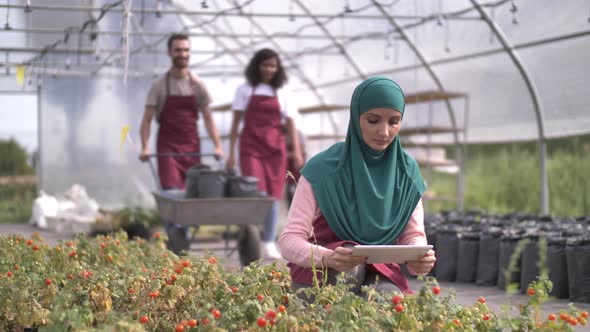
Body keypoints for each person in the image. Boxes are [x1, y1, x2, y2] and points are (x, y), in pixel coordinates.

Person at [278, 76, 436, 298]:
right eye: (373, 120)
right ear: (356, 117)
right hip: (322, 273)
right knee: (348, 272)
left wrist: (420, 257)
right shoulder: (323, 169)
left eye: (394, 121)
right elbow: (289, 239)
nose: (384, 132)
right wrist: (327, 257)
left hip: (379, 269)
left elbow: (413, 235)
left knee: (388, 301)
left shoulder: (406, 172)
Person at [139, 33, 224, 252]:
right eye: (178, 50)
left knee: (189, 197)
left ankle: (180, 241)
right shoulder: (159, 86)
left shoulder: (198, 86)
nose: (182, 54)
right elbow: (147, 120)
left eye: (186, 50)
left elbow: (207, 118)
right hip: (167, 147)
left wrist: (217, 145)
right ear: (169, 52)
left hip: (192, 147)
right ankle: (176, 243)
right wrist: (145, 146)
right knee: (170, 194)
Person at [226, 48, 304, 259]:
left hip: (275, 149)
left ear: (277, 69)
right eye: (265, 65)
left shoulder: (282, 92)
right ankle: (252, 234)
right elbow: (235, 122)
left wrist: (296, 151)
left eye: (273, 66)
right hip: (250, 146)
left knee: (273, 195)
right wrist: (231, 153)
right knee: (257, 192)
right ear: (256, 66)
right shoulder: (245, 89)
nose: (269, 69)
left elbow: (290, 123)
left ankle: (269, 241)